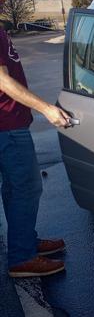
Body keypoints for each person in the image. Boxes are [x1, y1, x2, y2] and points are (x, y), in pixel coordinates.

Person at [0, 28, 70, 278]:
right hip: (6, 127)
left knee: (14, 189)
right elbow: (2, 80)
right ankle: (22, 257)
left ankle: (25, 241)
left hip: (11, 125)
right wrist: (45, 108)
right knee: (26, 188)